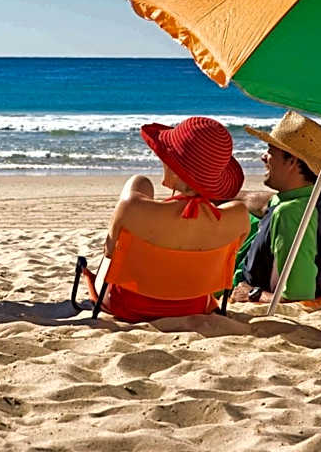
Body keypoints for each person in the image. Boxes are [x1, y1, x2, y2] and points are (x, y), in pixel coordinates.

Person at [99, 116, 250, 319]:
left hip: (129, 305)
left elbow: (109, 253)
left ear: (176, 169)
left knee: (139, 182)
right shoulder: (238, 216)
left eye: (166, 156)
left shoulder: (132, 207)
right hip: (194, 306)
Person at [232, 111, 321, 303]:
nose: (263, 157)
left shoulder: (291, 215)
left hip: (242, 282)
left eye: (270, 151)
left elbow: (298, 295)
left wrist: (252, 294)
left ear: (291, 161)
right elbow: (265, 203)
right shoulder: (320, 193)